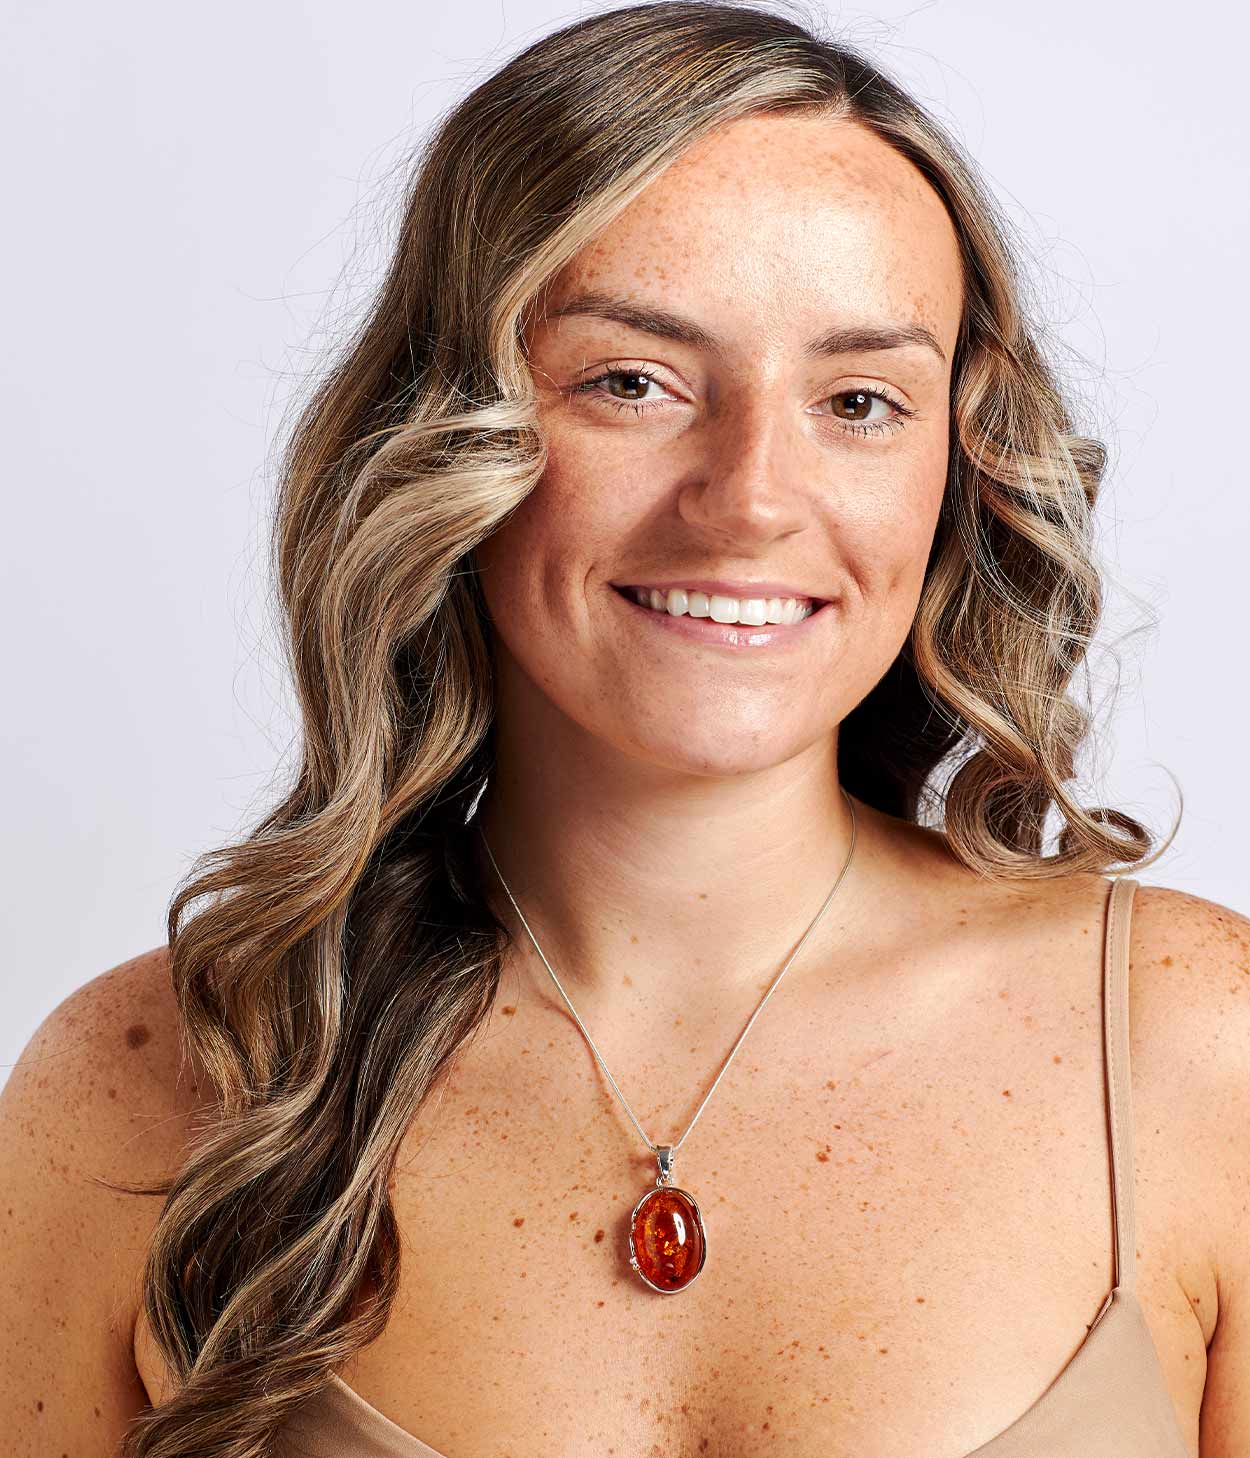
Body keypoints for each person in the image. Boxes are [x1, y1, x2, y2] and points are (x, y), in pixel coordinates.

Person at [2, 3, 1244, 1455]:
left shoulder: (1197, 1048)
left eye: (858, 400)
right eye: (631, 383)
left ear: (957, 469)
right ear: (444, 435)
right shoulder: (142, 1086)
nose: (750, 499)